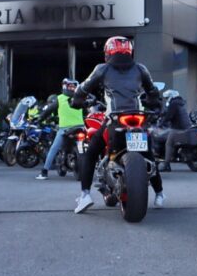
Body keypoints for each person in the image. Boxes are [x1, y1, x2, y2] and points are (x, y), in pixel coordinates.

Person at [70, 36, 165, 213]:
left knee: (91, 153)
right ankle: (159, 195)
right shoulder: (140, 68)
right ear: (130, 51)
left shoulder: (102, 69)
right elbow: (153, 91)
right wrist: (154, 103)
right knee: (148, 154)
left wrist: (77, 100)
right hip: (137, 118)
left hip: (114, 118)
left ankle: (85, 195)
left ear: (108, 52)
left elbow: (83, 88)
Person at [36, 79, 85, 180]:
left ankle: (44, 172)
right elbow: (88, 109)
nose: (72, 88)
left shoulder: (60, 98)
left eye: (73, 86)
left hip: (65, 129)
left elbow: (49, 110)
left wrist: (40, 118)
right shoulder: (81, 97)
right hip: (80, 127)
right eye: (71, 87)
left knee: (54, 149)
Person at [157, 89, 194, 172]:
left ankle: (166, 165)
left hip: (178, 128)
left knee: (168, 143)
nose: (166, 99)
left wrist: (161, 124)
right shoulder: (181, 103)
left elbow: (169, 116)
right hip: (186, 127)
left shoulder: (173, 104)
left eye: (167, 98)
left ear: (171, 96)